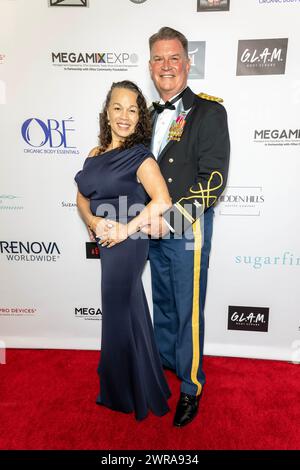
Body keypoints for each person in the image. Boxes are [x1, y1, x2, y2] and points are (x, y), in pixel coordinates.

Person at [143, 27, 230, 427]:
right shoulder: (144, 115)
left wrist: (171, 222)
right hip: (150, 228)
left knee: (188, 313)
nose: (166, 66)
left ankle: (192, 387)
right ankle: (166, 367)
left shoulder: (209, 112)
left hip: (185, 231)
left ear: (188, 62)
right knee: (162, 304)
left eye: (174, 57)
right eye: (159, 58)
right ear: (150, 65)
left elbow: (213, 179)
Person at [74, 80, 172, 421]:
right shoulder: (94, 154)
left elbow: (163, 201)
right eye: (118, 107)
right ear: (107, 112)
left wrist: (123, 230)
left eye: (132, 109)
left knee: (116, 314)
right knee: (129, 310)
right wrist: (92, 221)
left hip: (129, 243)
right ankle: (144, 384)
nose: (124, 116)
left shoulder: (140, 157)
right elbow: (82, 196)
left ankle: (120, 393)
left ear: (139, 117)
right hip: (106, 238)